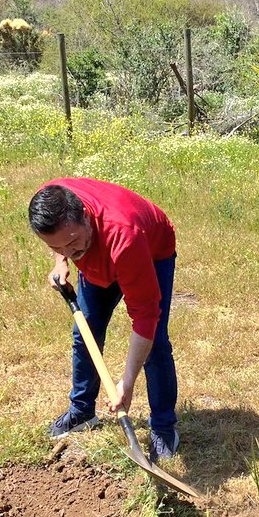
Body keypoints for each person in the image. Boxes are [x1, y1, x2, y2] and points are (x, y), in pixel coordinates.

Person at [28, 178, 179, 459]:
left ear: (85, 215)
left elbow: (145, 317)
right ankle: (82, 411)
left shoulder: (126, 236)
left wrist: (127, 382)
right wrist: (61, 261)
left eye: (72, 244)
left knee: (155, 343)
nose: (72, 254)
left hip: (151, 250)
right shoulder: (50, 202)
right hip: (103, 251)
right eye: (60, 248)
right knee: (85, 330)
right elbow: (62, 243)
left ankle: (163, 427)